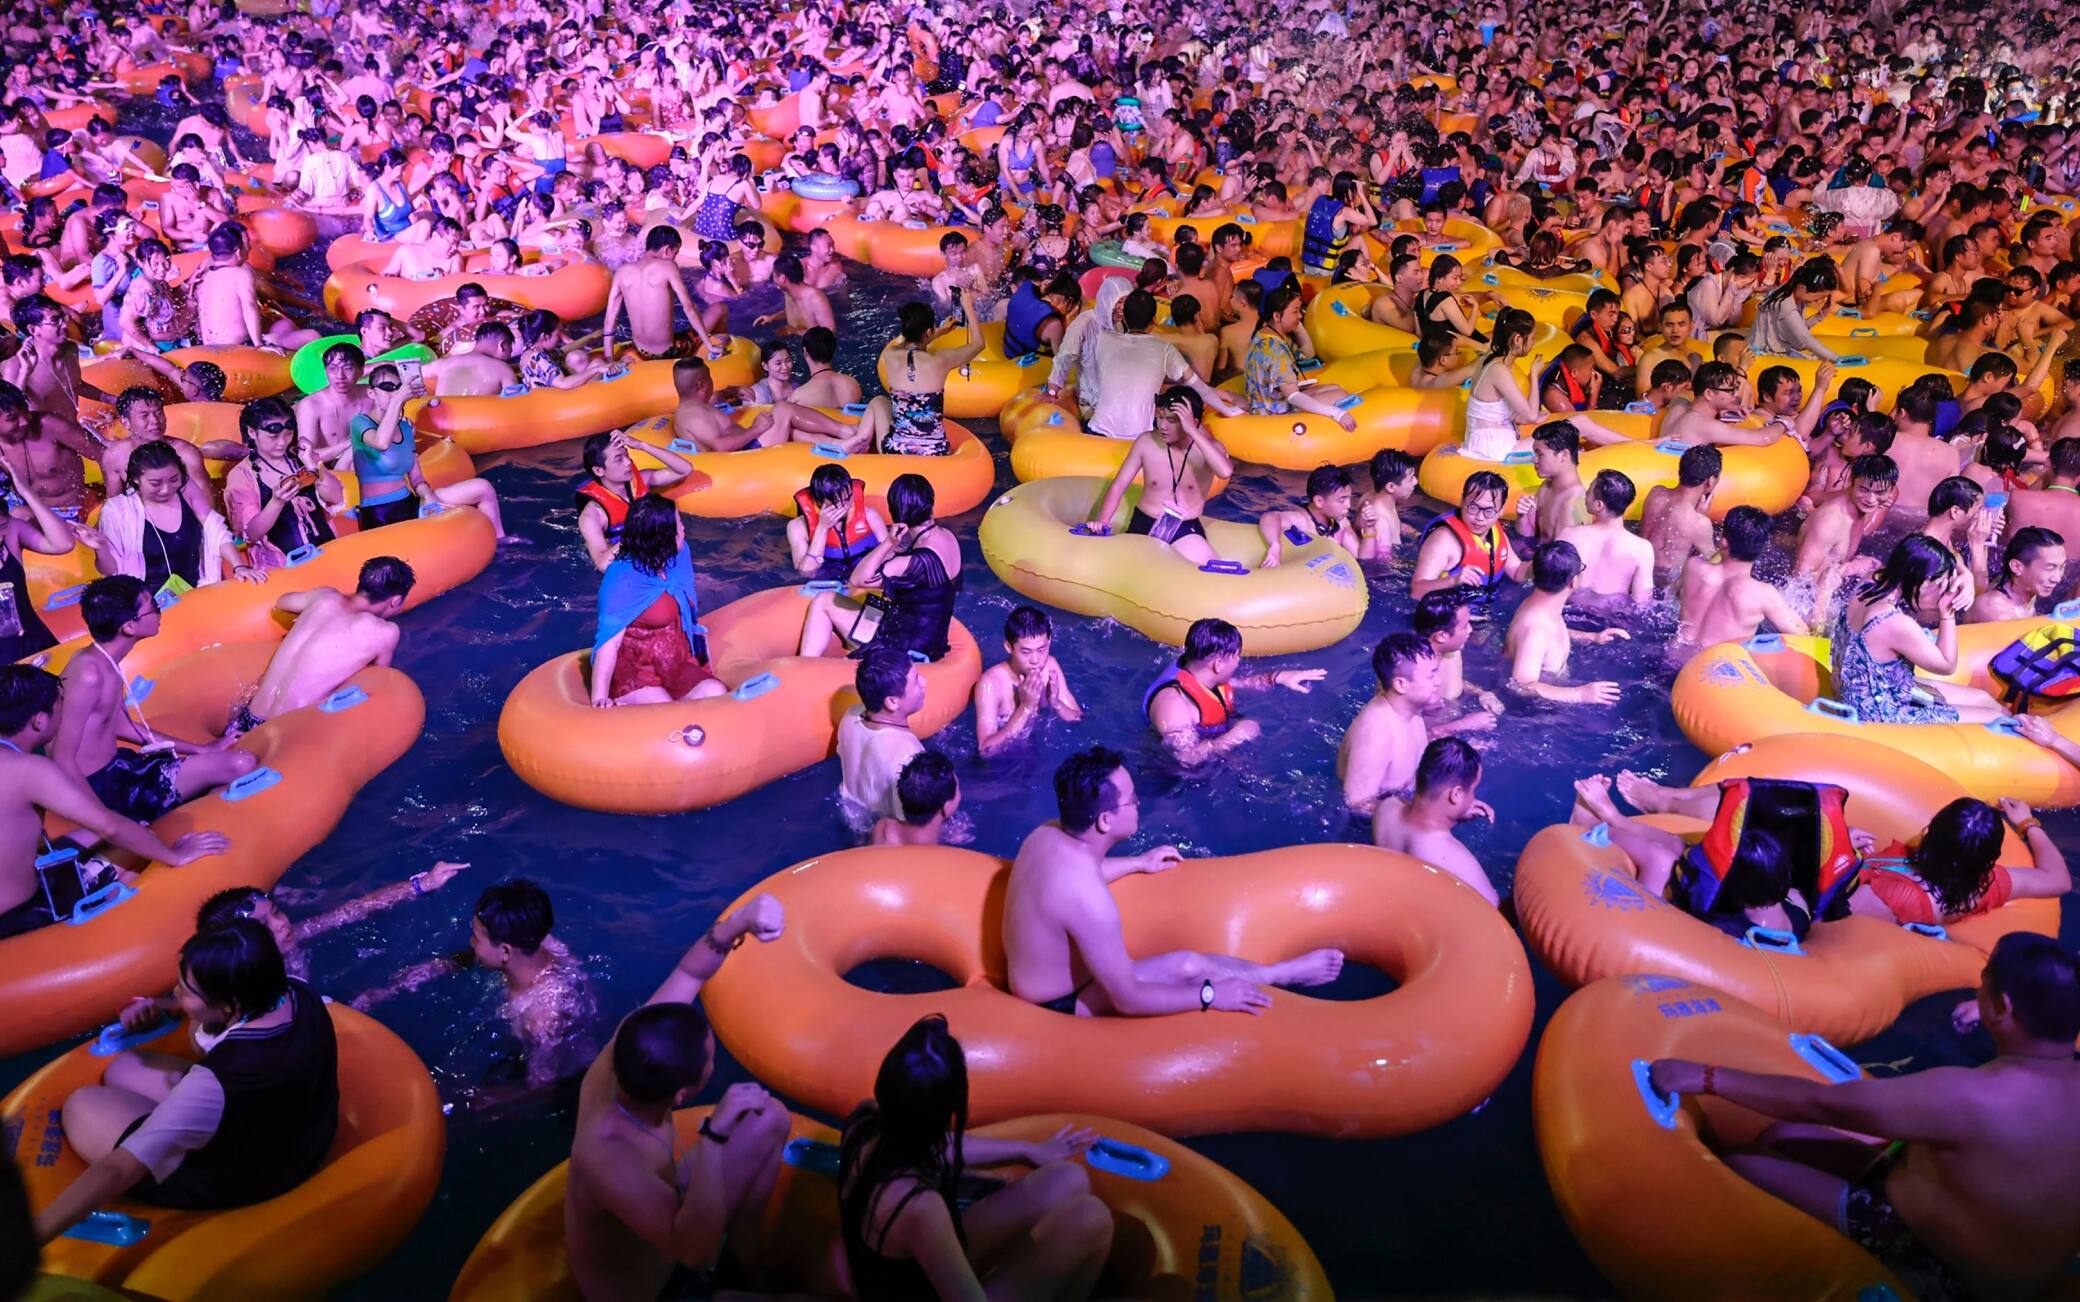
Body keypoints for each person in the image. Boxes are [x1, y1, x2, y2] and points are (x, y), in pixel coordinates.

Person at [1648, 934, 2080, 1302]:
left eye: (1982, 985)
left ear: (2004, 1009)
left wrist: (1708, 1077)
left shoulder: (1971, 1097)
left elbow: (1825, 1104)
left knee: (1744, 1164)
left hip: (1952, 1272)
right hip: (1996, 1239)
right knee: (1784, 1136)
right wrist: (1984, 1006)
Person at [34, 920, 337, 1236]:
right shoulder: (296, 992)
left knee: (82, 1104)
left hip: (243, 1178)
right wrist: (165, 1008)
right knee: (124, 1069)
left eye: (187, 990)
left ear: (229, 1005)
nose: (176, 992)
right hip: (296, 1135)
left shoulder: (222, 1077)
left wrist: (28, 1241)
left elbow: (117, 1169)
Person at [563, 895, 795, 1302]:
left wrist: (737, 923)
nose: (712, 1053)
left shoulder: (632, 1045)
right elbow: (695, 1253)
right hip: (653, 1289)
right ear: (682, 1094)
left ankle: (742, 1267)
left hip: (664, 1225)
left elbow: (690, 972)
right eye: (709, 1056)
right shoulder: (610, 1158)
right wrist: (716, 1137)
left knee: (768, 1118)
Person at [1002, 747, 1344, 1017]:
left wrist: (1138, 862)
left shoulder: (1045, 835)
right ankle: (1280, 976)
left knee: (1187, 962)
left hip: (1031, 980)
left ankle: (1275, 972)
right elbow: (1128, 1000)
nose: (1138, 804)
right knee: (1188, 967)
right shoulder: (1088, 899)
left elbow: (1068, 884)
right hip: (1057, 1003)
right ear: (1105, 820)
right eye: (1131, 800)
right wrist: (1210, 996)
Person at [838, 1015, 1111, 1301]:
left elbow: (932, 1146)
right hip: (918, 1288)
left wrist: (1027, 1149)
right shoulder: (920, 1207)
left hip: (907, 1266)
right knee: (1093, 1219)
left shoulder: (864, 1119)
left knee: (1068, 1179)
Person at [0, 665, 229, 939]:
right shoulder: (29, 769)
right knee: (140, 844)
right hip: (21, 915)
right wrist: (175, 855)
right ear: (39, 720)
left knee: (115, 826)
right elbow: (108, 827)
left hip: (16, 890)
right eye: (60, 704)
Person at [47, 577, 258, 824]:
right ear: (129, 627)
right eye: (153, 606)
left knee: (215, 769)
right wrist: (102, 820)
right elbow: (59, 754)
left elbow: (121, 726)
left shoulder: (104, 662)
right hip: (105, 789)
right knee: (240, 763)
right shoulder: (88, 674)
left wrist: (202, 749)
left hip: (121, 769)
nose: (159, 611)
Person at [357, 879, 596, 1089]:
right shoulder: (537, 940)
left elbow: (540, 1085)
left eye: (477, 938)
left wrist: (472, 1105)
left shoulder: (542, 1018)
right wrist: (397, 986)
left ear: (505, 951)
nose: (471, 943)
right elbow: (467, 959)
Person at [1832, 536, 2010, 726]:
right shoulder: (1894, 622)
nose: (1945, 592)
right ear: (1924, 581)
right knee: (2000, 718)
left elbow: (1923, 546)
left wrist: (1965, 573)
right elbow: (1947, 666)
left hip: (1868, 693)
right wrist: (1947, 613)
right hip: (1881, 713)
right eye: (1942, 585)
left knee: (1983, 698)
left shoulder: (1873, 580)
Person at [798, 475, 962, 662]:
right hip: (933, 640)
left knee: (824, 601)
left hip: (903, 647)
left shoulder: (911, 562)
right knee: (874, 604)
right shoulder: (948, 537)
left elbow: (857, 579)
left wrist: (888, 542)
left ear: (897, 513)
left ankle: (806, 666)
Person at [350, 363, 518, 540]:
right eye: (387, 388)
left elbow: (417, 479)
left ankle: (500, 544)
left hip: (409, 503)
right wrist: (398, 400)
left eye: (399, 388)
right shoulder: (360, 423)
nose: (395, 393)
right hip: (379, 513)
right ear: (371, 393)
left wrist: (430, 499)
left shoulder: (405, 428)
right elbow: (381, 442)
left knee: (483, 488)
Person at [1847, 796, 2071, 927]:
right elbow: (2058, 880)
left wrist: (1839, 847)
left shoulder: (1892, 897)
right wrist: (2027, 822)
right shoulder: (1987, 885)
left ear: (1931, 831)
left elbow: (1824, 921)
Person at [592, 496, 724, 709]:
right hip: (636, 665)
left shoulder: (679, 555)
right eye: (678, 525)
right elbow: (609, 640)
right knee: (664, 709)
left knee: (715, 692)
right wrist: (599, 698)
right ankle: (625, 700)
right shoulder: (623, 578)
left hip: (673, 660)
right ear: (663, 536)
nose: (683, 529)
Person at [1083, 386, 1233, 566]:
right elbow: (1118, 486)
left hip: (1183, 529)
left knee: (1212, 574)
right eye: (1160, 417)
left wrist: (1192, 431)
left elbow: (1224, 472)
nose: (1162, 426)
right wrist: (1102, 522)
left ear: (1192, 422)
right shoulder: (1146, 442)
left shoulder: (1209, 449)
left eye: (1171, 420)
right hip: (1144, 523)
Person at [1144, 617, 1323, 765]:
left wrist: (1278, 677)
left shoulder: (1202, 673)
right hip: (1173, 778)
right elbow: (1186, 759)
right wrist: (1235, 737)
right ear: (1218, 664)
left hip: (1210, 740)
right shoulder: (1174, 704)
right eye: (1236, 657)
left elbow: (1242, 683)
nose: (1238, 663)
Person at [90, 441, 256, 593]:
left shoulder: (186, 488)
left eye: (173, 479)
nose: (166, 489)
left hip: (197, 591)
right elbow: (110, 571)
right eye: (155, 483)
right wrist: (101, 548)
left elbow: (215, 529)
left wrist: (239, 566)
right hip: (145, 604)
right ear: (135, 479)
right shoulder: (117, 511)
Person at [1084, 290, 1239, 441]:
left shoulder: (1102, 340)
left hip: (1097, 431)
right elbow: (1201, 389)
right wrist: (1229, 410)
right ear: (1153, 319)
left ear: (1124, 318)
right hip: (1140, 436)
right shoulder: (1164, 349)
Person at [1371, 738, 1499, 906]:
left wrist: (1456, 812)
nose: (1473, 797)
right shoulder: (1453, 856)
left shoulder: (1386, 808)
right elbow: (1496, 914)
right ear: (1456, 794)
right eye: (1473, 791)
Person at [1505, 542, 1627, 705]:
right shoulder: (1535, 631)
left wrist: (1592, 637)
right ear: (1573, 581)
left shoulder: (1541, 606)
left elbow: (1549, 636)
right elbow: (1520, 685)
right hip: (1536, 713)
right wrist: (1579, 694)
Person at [1678, 506, 1812, 648]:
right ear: (1762, 549)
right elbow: (1803, 636)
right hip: (1711, 666)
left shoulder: (1693, 567)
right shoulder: (1762, 594)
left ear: (1723, 542)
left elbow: (1678, 594)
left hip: (1673, 656)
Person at [576, 429, 698, 572]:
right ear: (599, 471)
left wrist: (641, 446)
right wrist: (638, 533)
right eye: (618, 459)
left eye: (627, 455)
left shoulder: (643, 480)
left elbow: (685, 469)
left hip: (653, 551)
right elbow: (603, 565)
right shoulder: (592, 516)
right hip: (626, 566)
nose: (628, 462)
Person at [877, 298, 984, 457]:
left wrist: (939, 331)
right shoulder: (940, 360)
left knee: (877, 401)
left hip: (897, 448)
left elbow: (904, 344)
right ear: (928, 332)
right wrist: (968, 307)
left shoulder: (889, 354)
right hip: (935, 450)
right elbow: (979, 344)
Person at [974, 605, 1081, 758]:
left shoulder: (1050, 666)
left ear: (1049, 642)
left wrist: (1056, 703)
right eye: (1026, 652)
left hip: (1040, 750)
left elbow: (1078, 720)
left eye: (1041, 650)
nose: (1036, 660)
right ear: (1009, 647)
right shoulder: (990, 683)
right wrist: (1026, 706)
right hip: (1004, 764)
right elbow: (986, 751)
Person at [0, 449, 75, 662]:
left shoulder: (13, 532)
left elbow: (63, 543)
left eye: (2, 526)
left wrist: (27, 493)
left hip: (34, 643)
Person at [602, 226, 719, 360]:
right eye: (675, 253)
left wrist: (609, 359)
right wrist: (709, 345)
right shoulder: (668, 267)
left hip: (639, 350)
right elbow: (689, 307)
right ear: (666, 250)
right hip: (669, 351)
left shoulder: (622, 272)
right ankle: (711, 353)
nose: (674, 258)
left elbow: (610, 317)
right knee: (719, 308)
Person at [838, 648, 927, 822]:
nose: (924, 682)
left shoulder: (850, 716)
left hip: (847, 816)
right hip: (880, 836)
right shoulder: (909, 754)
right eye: (916, 680)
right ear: (892, 702)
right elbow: (912, 825)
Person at [1411, 471, 1529, 598]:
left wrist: (1543, 563)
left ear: (1501, 510)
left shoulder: (1497, 535)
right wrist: (1453, 581)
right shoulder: (1443, 541)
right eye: (1473, 507)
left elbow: (1517, 573)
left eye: (1489, 511)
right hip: (1449, 612)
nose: (1479, 517)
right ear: (1462, 501)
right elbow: (1416, 592)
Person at [1558, 470, 1654, 602]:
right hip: (1610, 617)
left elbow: (1550, 585)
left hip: (1570, 610)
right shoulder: (1642, 549)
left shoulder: (1569, 535)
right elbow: (1642, 602)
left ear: (1599, 505)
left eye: (1589, 490)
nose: (1585, 494)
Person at [787, 463, 890, 581]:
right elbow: (806, 573)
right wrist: (822, 528)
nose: (844, 507)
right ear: (819, 501)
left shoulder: (870, 516)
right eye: (835, 502)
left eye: (847, 499)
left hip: (864, 575)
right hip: (827, 579)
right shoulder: (797, 527)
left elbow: (889, 554)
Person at [1643, 444, 1722, 587]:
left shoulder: (1655, 493)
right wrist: (1700, 517)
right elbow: (1715, 566)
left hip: (1639, 572)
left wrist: (1697, 515)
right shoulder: (1699, 523)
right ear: (1710, 481)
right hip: (1665, 586)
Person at [1256, 464, 1361, 567]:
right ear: (1319, 501)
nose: (1349, 505)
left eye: (1349, 498)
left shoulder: (1341, 522)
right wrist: (1275, 545)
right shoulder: (1301, 520)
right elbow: (1270, 517)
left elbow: (1360, 558)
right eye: (1342, 500)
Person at [1969, 526, 2067, 623]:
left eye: (2062, 567)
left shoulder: (2028, 587)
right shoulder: (1997, 613)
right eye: (2049, 568)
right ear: (2016, 567)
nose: (2057, 578)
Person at [870, 751, 961, 848]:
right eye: (958, 789)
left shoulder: (884, 829)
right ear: (945, 807)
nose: (960, 794)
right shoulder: (940, 854)